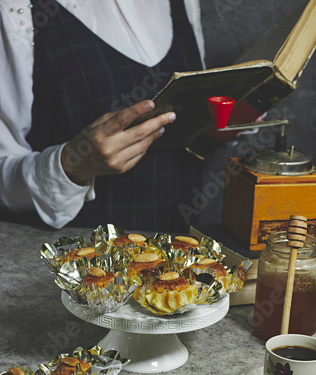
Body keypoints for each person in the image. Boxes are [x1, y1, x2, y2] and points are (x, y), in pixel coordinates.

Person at [0, 0, 209, 232]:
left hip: (183, 252)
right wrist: (73, 165)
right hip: (73, 258)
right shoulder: (16, 9)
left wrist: (214, 124)